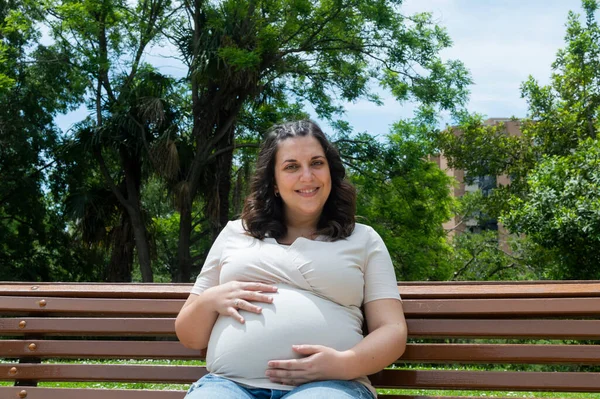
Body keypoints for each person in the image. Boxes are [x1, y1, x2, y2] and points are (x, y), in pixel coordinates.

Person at [175, 120, 407, 399]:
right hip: (228, 385)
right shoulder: (235, 233)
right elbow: (190, 336)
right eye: (291, 166)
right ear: (273, 182)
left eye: (317, 163)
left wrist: (345, 364)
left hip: (332, 386)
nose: (307, 176)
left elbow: (391, 329)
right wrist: (210, 301)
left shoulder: (363, 239)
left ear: (330, 172)